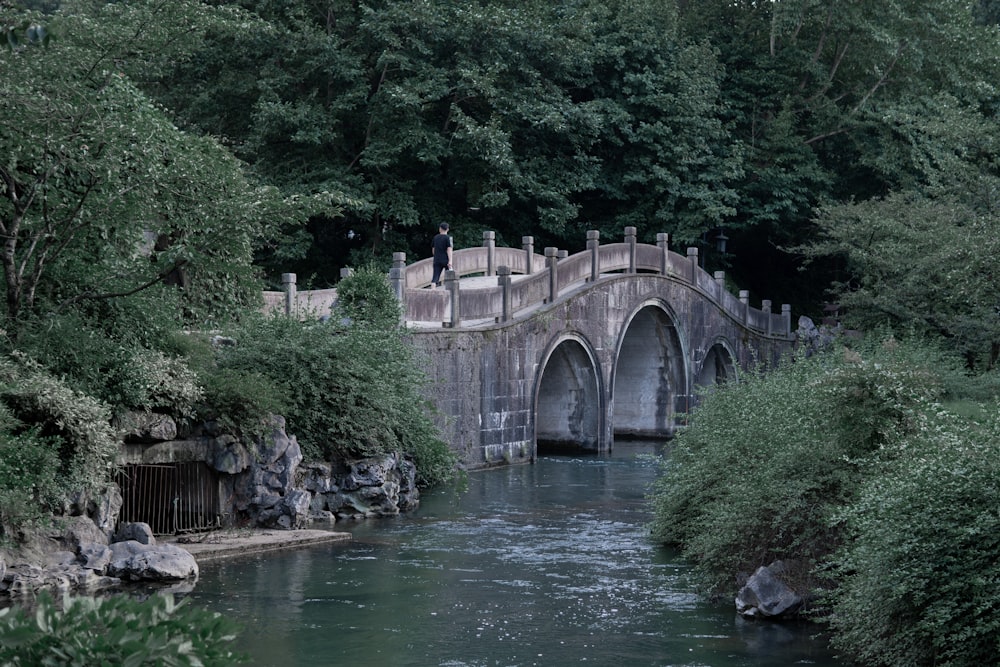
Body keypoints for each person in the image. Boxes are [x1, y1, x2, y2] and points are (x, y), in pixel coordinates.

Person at [431, 223, 453, 287]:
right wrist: (450, 261)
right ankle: (449, 293)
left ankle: (433, 292)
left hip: (437, 260)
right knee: (449, 277)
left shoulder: (435, 238)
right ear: (447, 229)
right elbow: (449, 249)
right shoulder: (447, 238)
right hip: (446, 259)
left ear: (440, 229)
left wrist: (435, 256)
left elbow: (433, 249)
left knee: (435, 278)